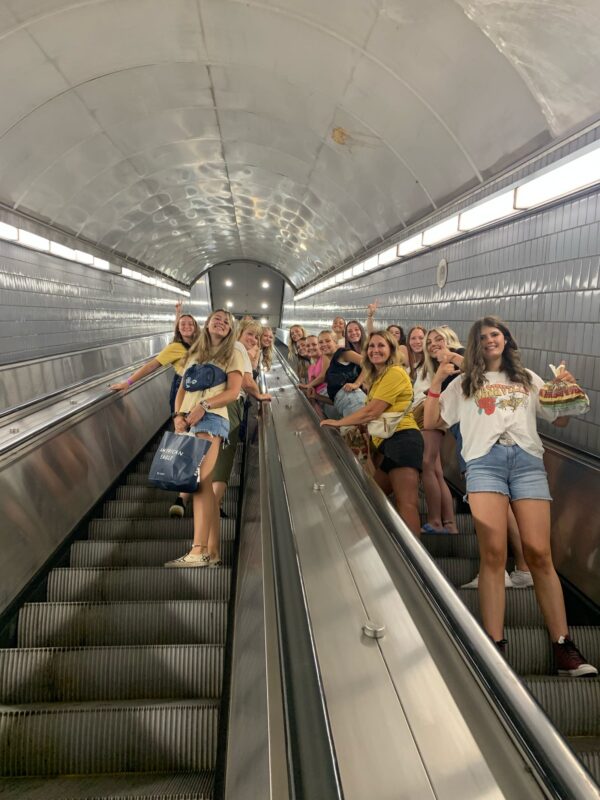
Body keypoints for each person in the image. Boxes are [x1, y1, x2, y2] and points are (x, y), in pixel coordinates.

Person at [424, 315, 597, 676]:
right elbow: (431, 423)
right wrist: (438, 381)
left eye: (495, 334)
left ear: (505, 339)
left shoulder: (527, 378)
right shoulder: (464, 384)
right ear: (474, 344)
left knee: (539, 553)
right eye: (483, 336)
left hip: (527, 462)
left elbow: (559, 420)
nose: (490, 340)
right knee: (493, 553)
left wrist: (564, 389)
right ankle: (495, 645)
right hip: (485, 463)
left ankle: (564, 647)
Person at [165, 309, 245, 568]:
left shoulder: (233, 353)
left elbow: (233, 392)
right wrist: (178, 414)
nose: (221, 322)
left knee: (199, 481)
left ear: (230, 330)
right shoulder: (194, 355)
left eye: (226, 321)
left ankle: (198, 550)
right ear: (207, 324)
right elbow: (181, 389)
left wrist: (206, 405)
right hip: (189, 421)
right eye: (216, 318)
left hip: (212, 419)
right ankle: (213, 552)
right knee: (204, 484)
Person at [321, 330, 423, 533]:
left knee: (407, 503)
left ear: (392, 350)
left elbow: (371, 411)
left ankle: (412, 560)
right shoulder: (379, 377)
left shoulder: (395, 372)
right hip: (389, 444)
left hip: (403, 440)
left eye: (381, 346)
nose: (375, 350)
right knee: (372, 497)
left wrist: (338, 423)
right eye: (371, 347)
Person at [212, 320, 272, 522]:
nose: (254, 340)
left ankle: (196, 500)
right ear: (239, 333)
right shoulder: (238, 349)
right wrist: (260, 395)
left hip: (212, 404)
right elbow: (246, 381)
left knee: (212, 454)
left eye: (257, 337)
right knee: (224, 457)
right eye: (250, 334)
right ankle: (214, 506)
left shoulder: (226, 347)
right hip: (230, 404)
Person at [110, 307, 199, 413]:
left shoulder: (198, 343)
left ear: (195, 327)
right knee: (183, 425)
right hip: (182, 388)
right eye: (183, 324)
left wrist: (178, 313)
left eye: (190, 324)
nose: (187, 326)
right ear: (178, 328)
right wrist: (128, 382)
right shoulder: (174, 347)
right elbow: (151, 365)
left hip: (196, 387)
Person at [366, 300, 409, 365]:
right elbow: (371, 333)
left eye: (397, 333)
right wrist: (370, 316)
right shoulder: (383, 349)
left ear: (401, 336)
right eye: (391, 332)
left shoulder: (402, 348)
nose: (394, 334)